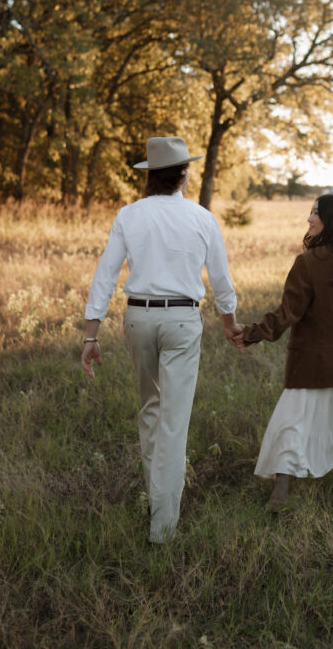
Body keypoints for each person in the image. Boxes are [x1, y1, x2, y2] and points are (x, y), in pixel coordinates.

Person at [81, 136, 243, 543]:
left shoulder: (129, 215)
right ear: (184, 174)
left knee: (150, 409)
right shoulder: (202, 218)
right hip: (183, 320)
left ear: (150, 175)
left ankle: (158, 499)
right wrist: (229, 323)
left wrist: (91, 334)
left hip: (138, 317)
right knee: (174, 420)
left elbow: (105, 274)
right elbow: (221, 282)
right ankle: (163, 526)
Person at [241, 193, 333, 510]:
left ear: (330, 220)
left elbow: (286, 314)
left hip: (313, 362)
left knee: (293, 422)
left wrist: (251, 334)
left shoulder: (308, 263)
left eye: (314, 213)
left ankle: (281, 492)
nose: (308, 219)